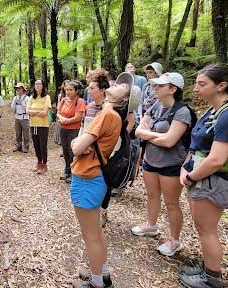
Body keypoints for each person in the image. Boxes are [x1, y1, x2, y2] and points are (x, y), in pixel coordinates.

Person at [178, 64, 228, 288]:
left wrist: (191, 176)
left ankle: (212, 278)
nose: (195, 88)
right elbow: (199, 145)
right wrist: (187, 168)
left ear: (221, 86)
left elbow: (217, 159)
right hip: (202, 177)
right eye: (195, 83)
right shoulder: (215, 109)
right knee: (202, 228)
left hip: (216, 180)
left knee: (207, 230)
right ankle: (206, 267)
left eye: (202, 84)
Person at [69, 71, 141, 288]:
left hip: (88, 177)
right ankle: (101, 270)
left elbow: (76, 147)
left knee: (90, 235)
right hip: (95, 176)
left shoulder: (107, 115)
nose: (116, 84)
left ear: (124, 99)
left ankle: (96, 281)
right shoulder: (110, 115)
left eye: (123, 86)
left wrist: (79, 143)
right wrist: (83, 143)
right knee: (96, 232)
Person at [131, 72, 191, 257]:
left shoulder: (182, 111)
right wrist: (159, 136)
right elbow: (138, 131)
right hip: (150, 160)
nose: (155, 88)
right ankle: (151, 225)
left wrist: (151, 135)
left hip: (171, 164)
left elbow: (170, 141)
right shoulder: (156, 105)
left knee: (172, 203)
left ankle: (175, 240)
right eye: (155, 85)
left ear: (173, 89)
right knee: (151, 195)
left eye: (160, 85)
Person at [57, 80, 86, 183]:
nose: (68, 92)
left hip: (74, 130)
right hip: (63, 128)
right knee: (65, 150)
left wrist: (67, 120)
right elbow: (58, 112)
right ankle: (67, 171)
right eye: (66, 90)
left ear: (76, 91)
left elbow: (78, 117)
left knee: (72, 151)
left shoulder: (80, 101)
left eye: (70, 90)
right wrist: (61, 118)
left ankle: (75, 173)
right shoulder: (64, 100)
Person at [27, 79, 51, 174]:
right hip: (33, 124)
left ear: (43, 86)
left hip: (43, 125)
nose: (37, 85)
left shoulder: (47, 97)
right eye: (36, 84)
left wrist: (34, 112)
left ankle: (44, 164)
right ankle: (39, 162)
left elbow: (45, 113)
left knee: (42, 145)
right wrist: (38, 111)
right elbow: (27, 111)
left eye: (39, 84)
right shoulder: (31, 97)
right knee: (36, 145)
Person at [11, 83, 30, 153]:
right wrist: (14, 103)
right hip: (17, 117)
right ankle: (18, 146)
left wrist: (22, 103)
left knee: (26, 133)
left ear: (23, 89)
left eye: (19, 88)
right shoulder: (15, 98)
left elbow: (28, 109)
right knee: (18, 133)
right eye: (17, 89)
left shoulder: (27, 98)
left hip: (25, 117)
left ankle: (26, 147)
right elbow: (12, 109)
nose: (18, 90)